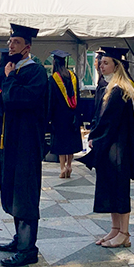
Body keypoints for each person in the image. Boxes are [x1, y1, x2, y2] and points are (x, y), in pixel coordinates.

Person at [0, 24, 48, 267]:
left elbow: (16, 99)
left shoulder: (35, 71)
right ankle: (19, 238)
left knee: (24, 193)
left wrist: (10, 78)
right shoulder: (12, 70)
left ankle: (28, 249)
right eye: (9, 42)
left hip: (26, 143)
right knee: (13, 190)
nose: (10, 46)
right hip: (11, 142)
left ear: (27, 47)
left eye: (15, 42)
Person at [78, 47, 134, 248]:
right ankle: (115, 229)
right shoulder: (109, 86)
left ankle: (124, 233)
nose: (100, 65)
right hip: (111, 146)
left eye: (105, 62)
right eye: (100, 62)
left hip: (118, 148)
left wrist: (95, 138)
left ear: (117, 65)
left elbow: (109, 121)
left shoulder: (119, 89)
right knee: (111, 188)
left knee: (120, 189)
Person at [48, 50, 83, 179]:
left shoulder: (53, 79)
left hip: (59, 117)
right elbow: (78, 98)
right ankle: (69, 165)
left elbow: (51, 100)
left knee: (62, 142)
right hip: (72, 115)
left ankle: (62, 168)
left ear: (54, 62)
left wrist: (49, 117)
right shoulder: (73, 77)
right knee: (70, 141)